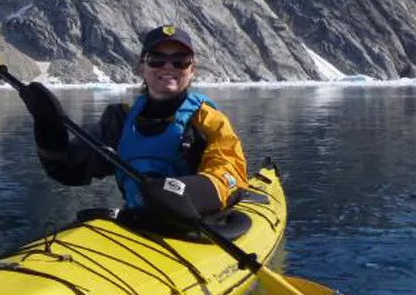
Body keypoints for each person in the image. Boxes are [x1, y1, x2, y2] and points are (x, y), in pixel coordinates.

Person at [18, 25, 247, 224]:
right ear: (142, 67)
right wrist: (48, 130)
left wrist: (183, 192)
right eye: (157, 59)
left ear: (192, 70)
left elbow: (229, 172)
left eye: (180, 61)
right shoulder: (120, 120)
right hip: (138, 223)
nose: (168, 67)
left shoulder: (209, 120)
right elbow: (69, 171)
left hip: (196, 225)